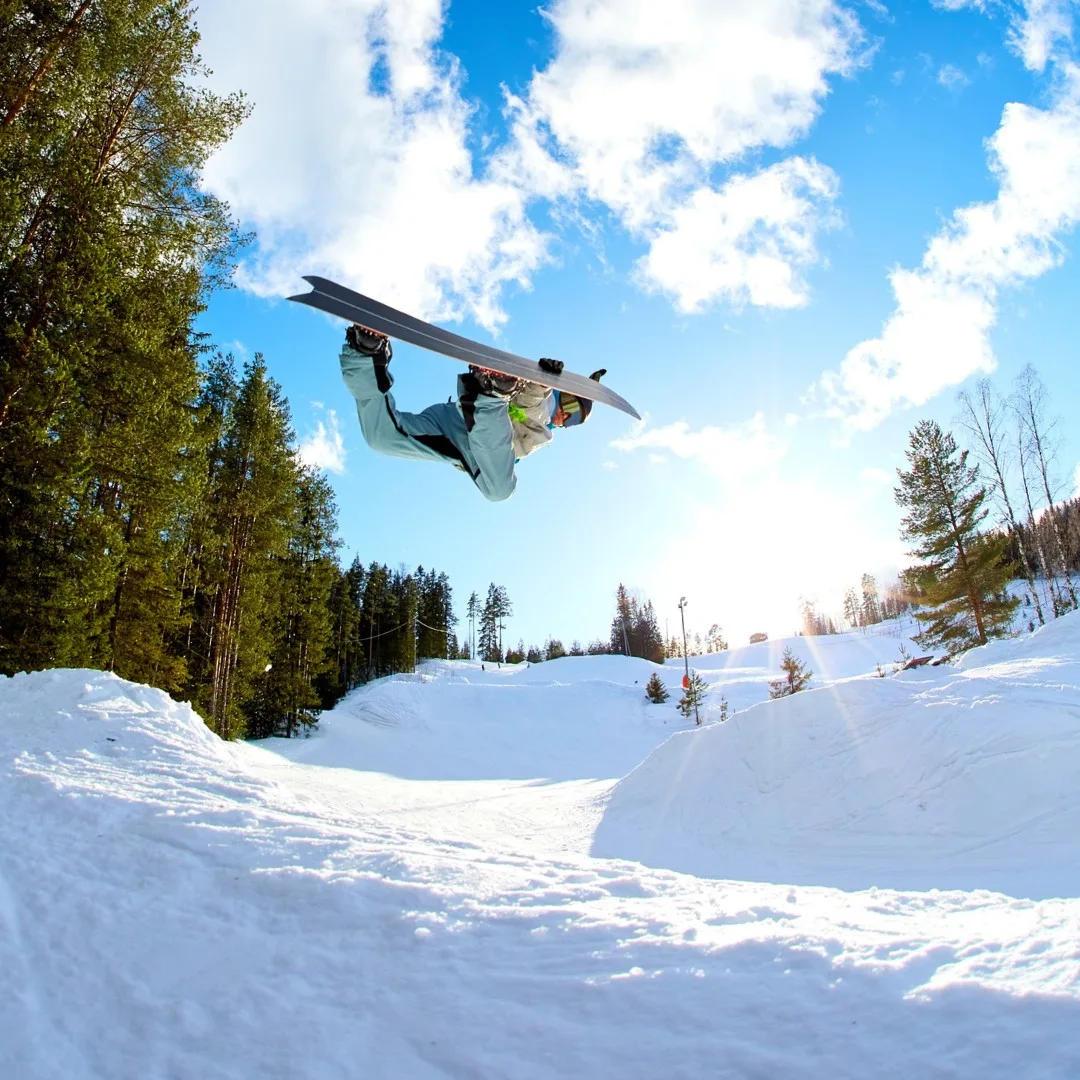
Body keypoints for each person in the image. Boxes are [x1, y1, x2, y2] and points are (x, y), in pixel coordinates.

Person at [338, 323, 605, 501]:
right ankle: (492, 392)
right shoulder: (544, 416)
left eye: (575, 421)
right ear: (564, 395)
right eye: (571, 407)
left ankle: (365, 352)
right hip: (472, 421)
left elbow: (525, 418)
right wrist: (542, 384)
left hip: (462, 439)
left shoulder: (543, 426)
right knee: (501, 490)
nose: (566, 418)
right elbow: (531, 406)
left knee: (381, 438)